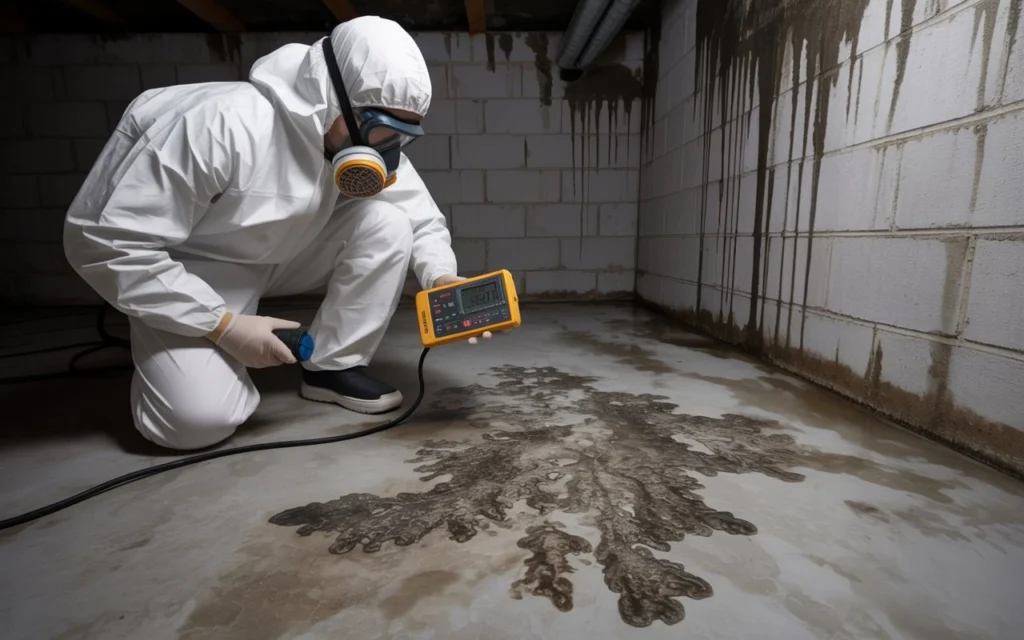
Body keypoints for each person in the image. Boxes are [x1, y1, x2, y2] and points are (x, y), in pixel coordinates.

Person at [62, 16, 491, 451]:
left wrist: (442, 278)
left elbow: (419, 218)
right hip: (198, 268)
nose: (386, 146)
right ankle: (175, 352)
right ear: (330, 93)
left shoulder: (361, 138)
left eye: (403, 134)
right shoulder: (219, 125)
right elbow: (105, 242)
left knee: (387, 221)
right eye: (382, 128)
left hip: (289, 253)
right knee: (195, 422)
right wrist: (221, 325)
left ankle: (331, 365)